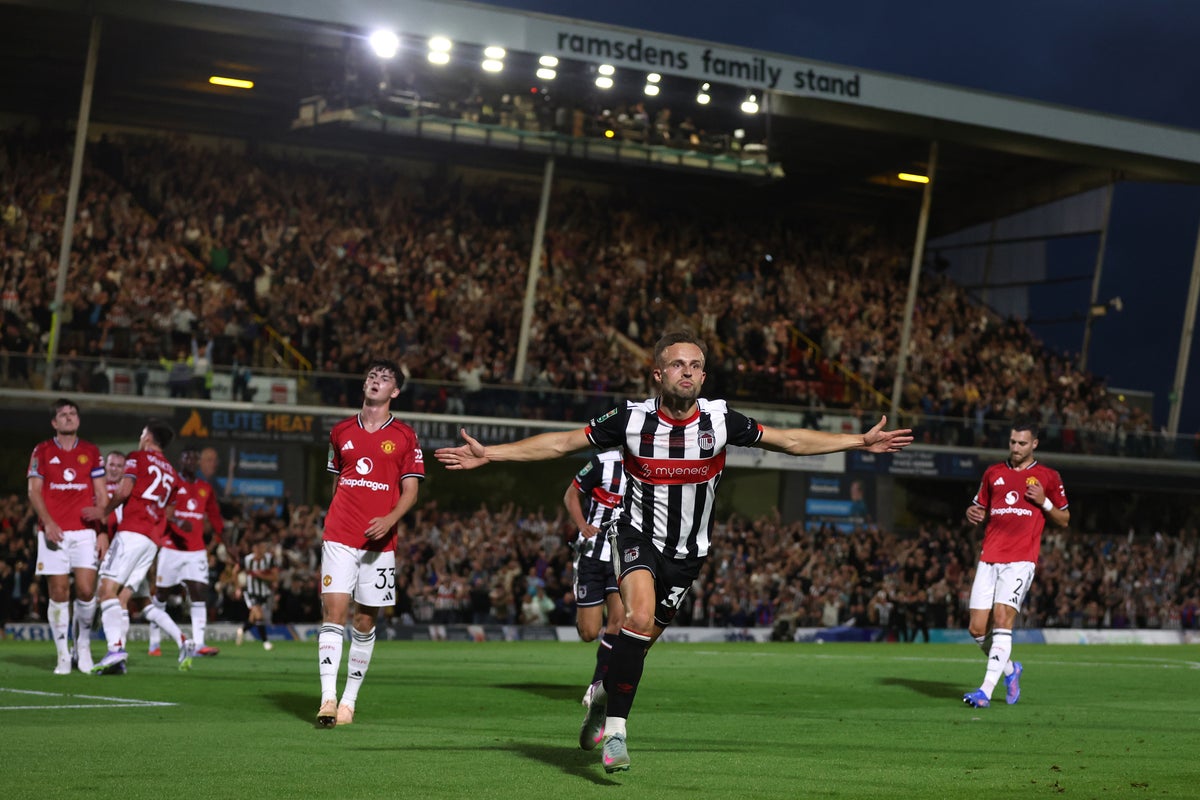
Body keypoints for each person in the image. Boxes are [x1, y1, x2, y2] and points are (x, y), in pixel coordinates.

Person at [435, 330, 913, 772]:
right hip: (636, 535)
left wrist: (858, 441)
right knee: (636, 621)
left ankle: (602, 697)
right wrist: (492, 454)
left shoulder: (721, 420)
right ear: (658, 375)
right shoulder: (630, 419)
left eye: (695, 365)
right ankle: (617, 735)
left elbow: (789, 441)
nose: (687, 371)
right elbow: (561, 443)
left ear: (704, 376)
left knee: (637, 647)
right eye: (677, 364)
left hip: (689, 556)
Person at [316, 358, 425, 728]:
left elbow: (410, 491)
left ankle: (349, 701)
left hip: (380, 542)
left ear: (395, 392)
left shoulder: (406, 437)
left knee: (364, 621)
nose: (375, 381)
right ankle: (328, 699)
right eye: (371, 375)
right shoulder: (340, 431)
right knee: (335, 613)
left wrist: (390, 519)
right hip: (340, 535)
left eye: (384, 378)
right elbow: (336, 483)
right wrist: (332, 518)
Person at [961, 418, 1069, 709]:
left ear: (1034, 444)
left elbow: (1064, 519)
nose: (1016, 447)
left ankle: (985, 690)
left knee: (1003, 619)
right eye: (1012, 442)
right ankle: (1011, 670)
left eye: (1022, 443)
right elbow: (979, 507)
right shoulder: (993, 473)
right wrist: (974, 512)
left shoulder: (1048, 476)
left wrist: (1045, 502)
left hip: (1021, 560)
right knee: (976, 629)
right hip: (989, 557)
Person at [84, 419, 197, 674]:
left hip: (133, 532)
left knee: (106, 590)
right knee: (131, 600)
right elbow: (167, 513)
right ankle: (179, 641)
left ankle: (115, 649)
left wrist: (103, 511)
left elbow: (125, 492)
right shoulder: (171, 473)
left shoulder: (138, 458)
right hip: (151, 540)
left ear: (147, 436)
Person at [26, 398, 108, 674]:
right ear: (54, 422)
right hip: (54, 532)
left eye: (73, 413)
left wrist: (103, 529)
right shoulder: (42, 450)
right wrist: (47, 522)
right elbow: (34, 491)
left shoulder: (91, 451)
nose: (69, 417)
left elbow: (102, 494)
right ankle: (63, 653)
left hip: (85, 532)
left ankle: (82, 646)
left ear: (79, 420)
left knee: (86, 590)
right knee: (58, 591)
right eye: (63, 414)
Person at [563, 449, 627, 745]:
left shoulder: (651, 468)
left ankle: (597, 685)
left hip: (622, 557)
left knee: (618, 621)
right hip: (590, 556)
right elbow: (571, 494)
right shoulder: (603, 463)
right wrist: (580, 525)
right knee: (589, 632)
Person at [154, 447, 225, 657]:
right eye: (188, 458)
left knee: (199, 593)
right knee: (161, 595)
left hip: (195, 550)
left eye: (195, 459)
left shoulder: (205, 488)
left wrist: (228, 545)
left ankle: (199, 644)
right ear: (181, 460)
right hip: (171, 547)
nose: (192, 462)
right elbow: (159, 510)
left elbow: (215, 517)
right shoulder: (172, 484)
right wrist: (176, 520)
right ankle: (154, 642)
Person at [236, 538, 278, 650]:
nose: (260, 550)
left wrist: (261, 576)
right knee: (259, 616)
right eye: (258, 547)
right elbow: (235, 572)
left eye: (262, 547)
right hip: (250, 592)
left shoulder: (269, 560)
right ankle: (265, 642)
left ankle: (242, 630)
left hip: (264, 593)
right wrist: (238, 588)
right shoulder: (246, 560)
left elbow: (275, 577)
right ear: (253, 549)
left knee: (253, 620)